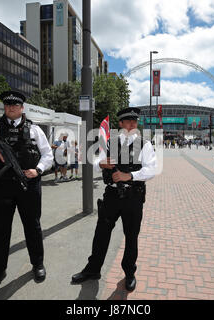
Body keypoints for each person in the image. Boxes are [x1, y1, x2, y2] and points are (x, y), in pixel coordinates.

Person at [0, 90, 54, 293]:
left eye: (15, 106)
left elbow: (48, 154)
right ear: (4, 107)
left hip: (29, 185)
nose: (11, 109)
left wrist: (38, 169)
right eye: (7, 106)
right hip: (1, 187)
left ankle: (38, 264)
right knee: (0, 231)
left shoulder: (34, 130)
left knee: (33, 227)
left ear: (22, 108)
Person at [71, 107, 157, 292]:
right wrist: (100, 163)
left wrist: (130, 176)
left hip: (133, 197)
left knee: (131, 236)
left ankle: (129, 272)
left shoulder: (145, 144)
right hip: (111, 196)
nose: (132, 124)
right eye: (128, 121)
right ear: (120, 124)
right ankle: (93, 269)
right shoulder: (109, 142)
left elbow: (152, 170)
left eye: (135, 121)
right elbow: (95, 164)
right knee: (101, 234)